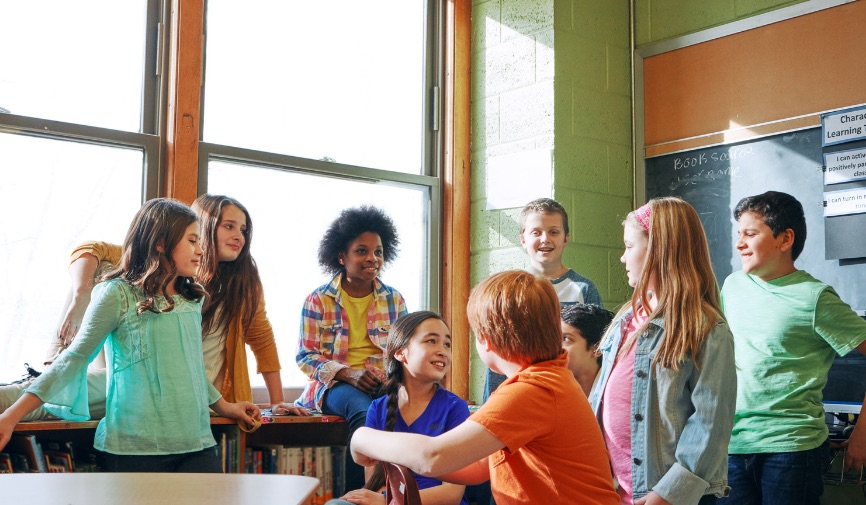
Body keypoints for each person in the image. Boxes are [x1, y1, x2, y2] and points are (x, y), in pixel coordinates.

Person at [0, 198, 261, 472]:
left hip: (197, 446)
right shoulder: (116, 293)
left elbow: (191, 370)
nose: (200, 250)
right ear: (160, 243)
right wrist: (11, 416)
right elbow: (73, 360)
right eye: (192, 241)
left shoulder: (191, 298)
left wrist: (225, 407)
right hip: (132, 451)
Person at [350, 270, 620, 505]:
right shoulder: (542, 381)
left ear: (486, 340)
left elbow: (433, 457)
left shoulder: (534, 390)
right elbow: (478, 467)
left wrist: (361, 437)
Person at [720, 191, 866, 505]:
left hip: (792, 450)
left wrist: (862, 434)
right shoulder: (731, 287)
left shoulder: (815, 298)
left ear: (785, 239)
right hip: (732, 447)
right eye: (738, 234)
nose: (739, 243)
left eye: (750, 233)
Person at [588, 197, 736, 505]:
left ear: (658, 249)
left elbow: (710, 424)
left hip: (669, 496)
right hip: (620, 489)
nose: (622, 258)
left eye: (629, 247)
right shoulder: (626, 319)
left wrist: (668, 494)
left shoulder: (705, 327)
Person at [296, 205, 408, 491]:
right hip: (334, 387)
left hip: (383, 383)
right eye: (362, 251)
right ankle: (357, 497)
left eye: (378, 252)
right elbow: (306, 357)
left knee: (430, 408)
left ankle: (404, 493)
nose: (372, 258)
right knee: (364, 411)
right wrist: (347, 374)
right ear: (342, 257)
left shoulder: (394, 300)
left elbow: (404, 352)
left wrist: (392, 379)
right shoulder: (318, 300)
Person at [328, 311, 469, 505]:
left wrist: (389, 501)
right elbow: (374, 481)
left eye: (447, 344)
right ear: (401, 352)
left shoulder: (455, 408)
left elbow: (452, 494)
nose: (442, 350)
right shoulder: (378, 409)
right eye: (431, 341)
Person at [484, 197, 603, 401]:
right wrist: (492, 401)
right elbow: (497, 350)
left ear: (566, 238)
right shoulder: (508, 291)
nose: (545, 239)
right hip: (518, 395)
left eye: (554, 232)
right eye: (536, 232)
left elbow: (598, 351)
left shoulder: (584, 289)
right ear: (523, 238)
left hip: (567, 396)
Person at [560, 303, 613, 397]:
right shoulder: (554, 389)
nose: (556, 347)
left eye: (567, 339)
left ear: (597, 349)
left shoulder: (613, 394)